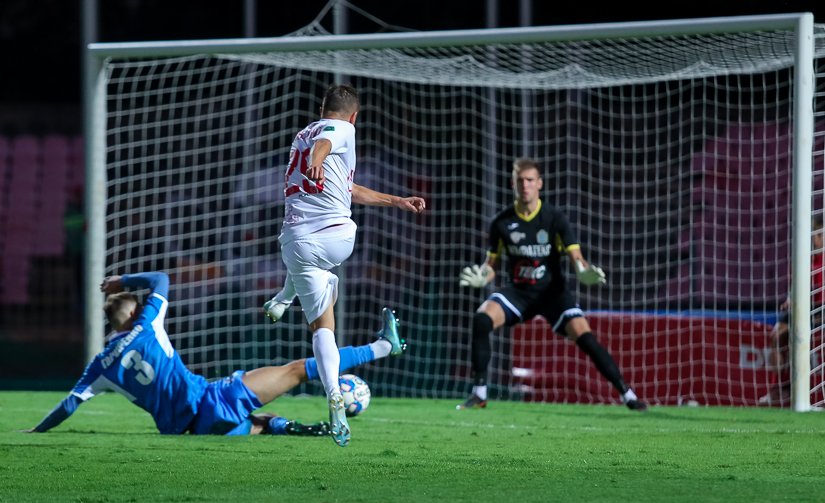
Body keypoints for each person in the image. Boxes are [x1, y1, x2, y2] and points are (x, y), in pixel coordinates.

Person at [23, 271, 406, 437]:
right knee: (297, 370)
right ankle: (383, 347)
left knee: (260, 423)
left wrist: (37, 431)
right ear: (136, 312)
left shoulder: (101, 364)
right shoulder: (148, 324)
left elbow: (70, 404)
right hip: (211, 400)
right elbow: (161, 280)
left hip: (191, 430)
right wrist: (122, 281)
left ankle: (308, 431)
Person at [262, 84, 425, 446]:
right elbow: (326, 143)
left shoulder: (301, 136)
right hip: (336, 237)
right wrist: (318, 159)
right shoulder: (341, 129)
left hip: (294, 242)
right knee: (325, 309)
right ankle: (286, 304)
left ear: (321, 108)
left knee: (321, 325)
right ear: (354, 116)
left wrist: (395, 200)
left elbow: (346, 186)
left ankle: (285, 304)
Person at [457, 157, 647, 411]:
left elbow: (577, 258)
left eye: (530, 180)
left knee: (585, 337)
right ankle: (479, 394)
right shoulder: (502, 222)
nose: (525, 185)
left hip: (552, 293)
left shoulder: (554, 218)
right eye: (520, 180)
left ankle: (628, 395)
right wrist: (483, 275)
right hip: (519, 293)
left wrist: (584, 272)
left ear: (540, 184)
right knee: (482, 318)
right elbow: (491, 265)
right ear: (513, 184)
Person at [760, 218, 825, 405]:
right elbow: (794, 287)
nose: (817, 240)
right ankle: (778, 387)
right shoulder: (804, 259)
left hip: (822, 308)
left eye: (820, 236)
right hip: (805, 306)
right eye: (815, 236)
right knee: (776, 336)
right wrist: (789, 299)